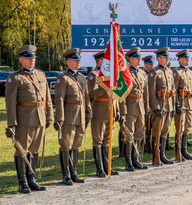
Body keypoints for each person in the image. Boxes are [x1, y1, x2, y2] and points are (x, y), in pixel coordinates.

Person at [5, 45, 53, 193]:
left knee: (34, 149)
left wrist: (50, 115)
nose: (32, 60)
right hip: (24, 119)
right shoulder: (15, 78)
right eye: (28, 58)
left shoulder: (40, 74)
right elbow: (10, 103)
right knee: (22, 150)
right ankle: (23, 182)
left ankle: (31, 178)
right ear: (21, 60)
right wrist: (12, 124)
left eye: (33, 58)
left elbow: (48, 97)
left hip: (40, 117)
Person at [54, 48, 92, 185]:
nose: (78, 62)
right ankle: (66, 175)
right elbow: (59, 99)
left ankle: (74, 172)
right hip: (68, 117)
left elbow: (86, 97)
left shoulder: (82, 78)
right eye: (75, 60)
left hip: (81, 116)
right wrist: (60, 118)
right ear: (68, 62)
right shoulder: (62, 78)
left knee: (76, 144)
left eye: (79, 60)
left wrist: (89, 113)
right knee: (66, 145)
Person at [87, 49, 120, 177]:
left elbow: (114, 94)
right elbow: (93, 93)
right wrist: (105, 85)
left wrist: (117, 109)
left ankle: (107, 167)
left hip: (110, 109)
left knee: (107, 139)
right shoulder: (94, 75)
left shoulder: (112, 75)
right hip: (99, 111)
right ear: (101, 61)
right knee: (98, 139)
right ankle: (99, 168)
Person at [120, 47, 150, 170]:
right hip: (130, 107)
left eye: (139, 58)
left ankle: (136, 159)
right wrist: (123, 111)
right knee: (129, 134)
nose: (139, 60)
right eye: (137, 58)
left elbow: (146, 92)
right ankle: (129, 162)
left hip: (141, 107)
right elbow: (122, 94)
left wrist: (147, 108)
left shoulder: (142, 73)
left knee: (139, 133)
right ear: (130, 59)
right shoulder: (125, 73)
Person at [148, 47, 176, 165]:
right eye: (165, 57)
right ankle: (156, 155)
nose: (167, 59)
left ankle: (163, 154)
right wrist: (155, 107)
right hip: (159, 106)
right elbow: (151, 91)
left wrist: (173, 106)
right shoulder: (154, 72)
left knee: (165, 130)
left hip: (168, 105)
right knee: (157, 131)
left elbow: (173, 90)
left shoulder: (169, 71)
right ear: (159, 59)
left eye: (168, 57)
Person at [173, 49, 192, 160]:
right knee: (180, 128)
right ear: (180, 60)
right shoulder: (177, 72)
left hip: (189, 103)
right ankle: (178, 150)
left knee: (187, 127)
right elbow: (175, 90)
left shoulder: (190, 72)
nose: (187, 60)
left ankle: (184, 149)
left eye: (188, 58)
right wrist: (177, 105)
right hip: (181, 104)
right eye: (185, 58)